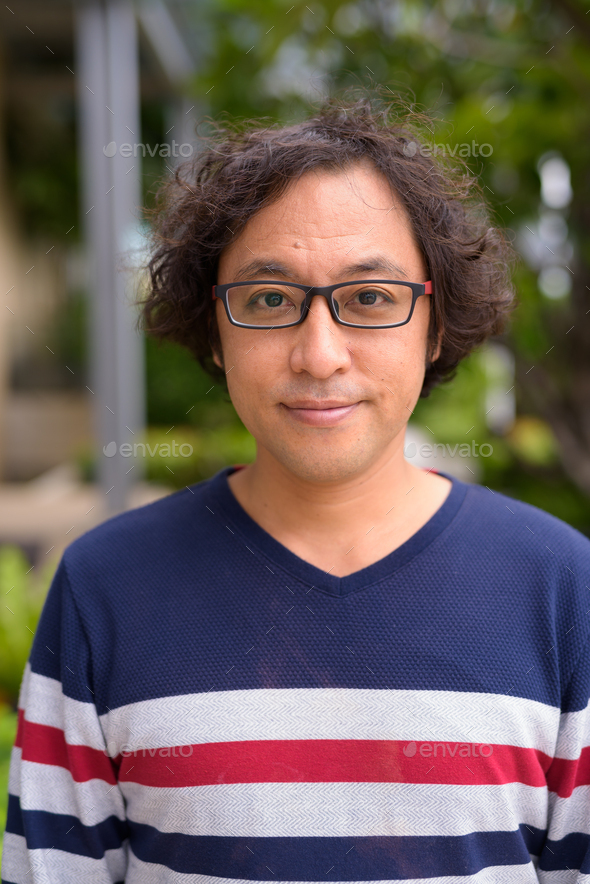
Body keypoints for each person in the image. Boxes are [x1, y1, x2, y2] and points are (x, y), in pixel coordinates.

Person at [3, 94, 590, 884]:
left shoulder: (561, 590)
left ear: (437, 321)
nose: (319, 356)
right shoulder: (104, 588)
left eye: (371, 298)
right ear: (214, 331)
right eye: (271, 300)